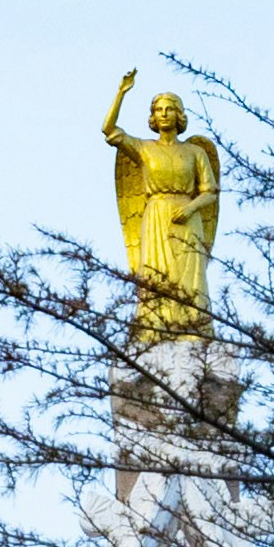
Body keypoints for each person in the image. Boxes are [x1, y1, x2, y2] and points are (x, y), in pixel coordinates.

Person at [102, 69, 222, 347]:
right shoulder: (144, 148)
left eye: (170, 109)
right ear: (153, 118)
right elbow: (109, 131)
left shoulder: (196, 152)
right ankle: (154, 327)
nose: (164, 113)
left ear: (179, 115)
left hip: (187, 218)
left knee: (190, 276)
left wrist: (192, 209)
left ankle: (194, 325)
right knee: (156, 274)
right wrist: (121, 93)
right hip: (156, 215)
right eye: (159, 109)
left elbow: (210, 191)